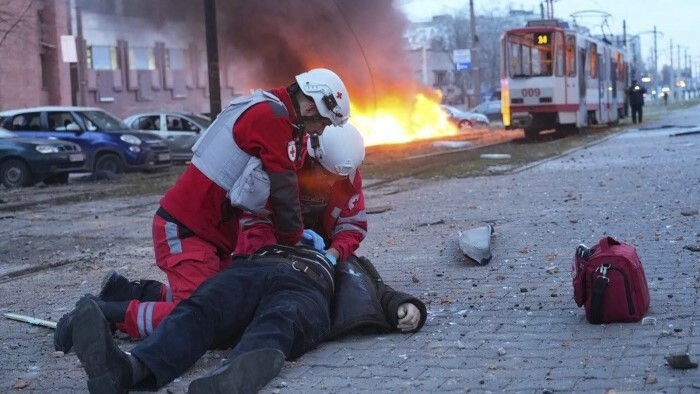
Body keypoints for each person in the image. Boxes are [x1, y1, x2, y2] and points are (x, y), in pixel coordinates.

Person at [54, 68, 351, 352]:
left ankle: (128, 293)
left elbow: (272, 193)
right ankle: (103, 316)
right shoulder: (272, 118)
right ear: (314, 109)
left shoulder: (273, 114)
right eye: (323, 124)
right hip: (187, 229)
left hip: (209, 234)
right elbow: (284, 189)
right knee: (201, 318)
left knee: (228, 305)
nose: (320, 131)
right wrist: (294, 239)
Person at [70, 244, 426, 393]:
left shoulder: (345, 255)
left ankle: (233, 375)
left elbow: (377, 288)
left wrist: (405, 306)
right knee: (199, 309)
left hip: (307, 287)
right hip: (251, 272)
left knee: (281, 319)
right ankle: (128, 371)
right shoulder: (270, 225)